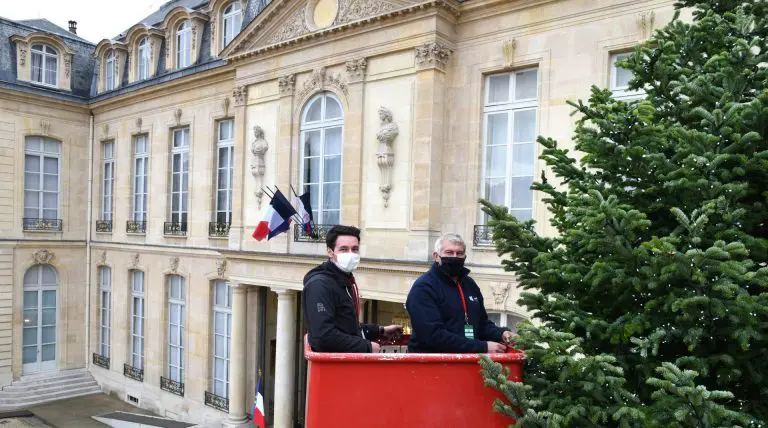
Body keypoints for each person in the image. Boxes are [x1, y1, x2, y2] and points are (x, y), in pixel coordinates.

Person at [406, 233, 515, 353]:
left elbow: (481, 324)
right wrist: (483, 347)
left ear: (464, 256)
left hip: (468, 359)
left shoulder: (469, 284)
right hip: (432, 361)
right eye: (449, 252)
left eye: (459, 253)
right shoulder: (423, 288)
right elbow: (433, 335)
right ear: (436, 256)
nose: (455, 257)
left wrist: (501, 334)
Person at [303, 225, 402, 352]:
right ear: (330, 252)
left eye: (355, 249)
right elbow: (323, 336)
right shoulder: (319, 285)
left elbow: (346, 325)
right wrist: (367, 347)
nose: (350, 254)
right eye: (344, 249)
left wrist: (380, 330)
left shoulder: (343, 279)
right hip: (335, 363)